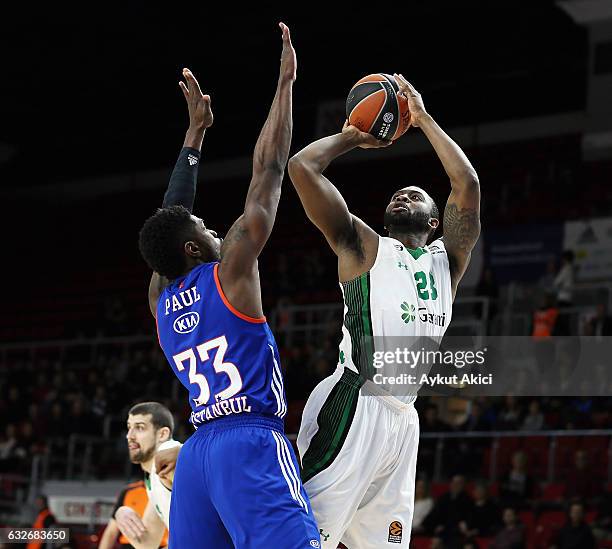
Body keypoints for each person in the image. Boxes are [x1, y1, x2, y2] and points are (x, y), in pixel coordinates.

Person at [138, 24, 320, 549]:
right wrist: (285, 84)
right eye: (206, 231)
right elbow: (268, 170)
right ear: (194, 249)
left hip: (197, 457)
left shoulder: (160, 300)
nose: (216, 230)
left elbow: (170, 219)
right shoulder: (232, 272)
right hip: (251, 441)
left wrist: (194, 137)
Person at [289, 74, 480, 548]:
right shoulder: (363, 246)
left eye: (415, 194)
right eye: (397, 195)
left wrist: (422, 117)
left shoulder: (447, 262)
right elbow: (302, 168)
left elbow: (467, 182)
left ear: (436, 221)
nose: (402, 195)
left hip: (403, 421)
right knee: (303, 537)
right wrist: (352, 137)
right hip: (354, 404)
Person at [101, 402, 177, 549]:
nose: (129, 436)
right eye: (129, 427)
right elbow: (148, 544)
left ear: (162, 434)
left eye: (140, 428)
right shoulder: (153, 478)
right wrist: (121, 514)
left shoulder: (169, 455)